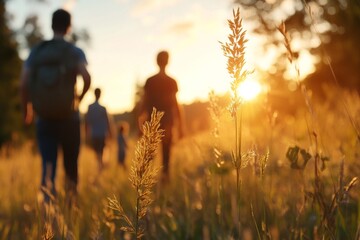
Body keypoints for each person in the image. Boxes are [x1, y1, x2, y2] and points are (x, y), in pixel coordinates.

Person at [20, 9, 91, 203]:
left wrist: (27, 109)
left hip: (44, 118)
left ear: (51, 25)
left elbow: (24, 82)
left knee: (48, 166)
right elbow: (86, 77)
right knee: (71, 166)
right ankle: (71, 207)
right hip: (70, 117)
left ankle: (48, 214)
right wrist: (79, 99)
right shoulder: (73, 51)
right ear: (69, 27)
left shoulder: (37, 51)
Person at [140, 50, 184, 181]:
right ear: (168, 61)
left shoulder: (150, 81)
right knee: (166, 155)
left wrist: (139, 124)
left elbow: (144, 102)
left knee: (148, 155)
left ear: (156, 61)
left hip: (151, 123)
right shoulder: (172, 82)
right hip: (168, 123)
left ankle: (146, 183)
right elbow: (175, 104)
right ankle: (164, 181)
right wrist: (181, 125)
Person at [85, 88, 112, 172]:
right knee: (101, 151)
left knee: (97, 151)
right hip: (102, 133)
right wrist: (110, 133)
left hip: (94, 134)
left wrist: (86, 134)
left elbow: (87, 122)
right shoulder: (103, 108)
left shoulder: (90, 107)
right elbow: (108, 122)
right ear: (100, 95)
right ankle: (100, 166)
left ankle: (99, 166)